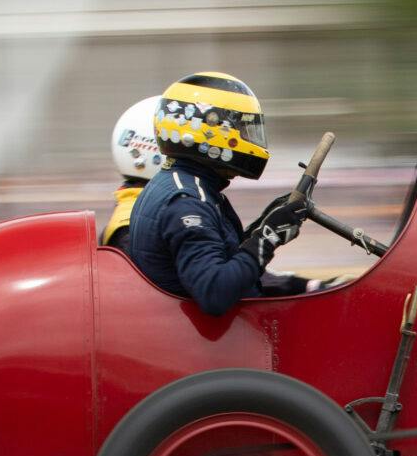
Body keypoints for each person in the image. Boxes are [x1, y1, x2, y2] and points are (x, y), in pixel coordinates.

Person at [103, 72, 319, 314]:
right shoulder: (187, 200)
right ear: (215, 133)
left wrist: (263, 225)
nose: (252, 139)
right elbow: (215, 292)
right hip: (209, 342)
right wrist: (267, 238)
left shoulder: (179, 184)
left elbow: (219, 256)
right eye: (244, 128)